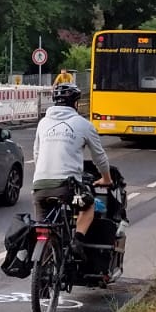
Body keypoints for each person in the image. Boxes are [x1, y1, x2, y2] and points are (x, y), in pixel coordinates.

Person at [30, 82, 111, 240]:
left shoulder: (43, 123)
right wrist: (106, 178)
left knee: (43, 228)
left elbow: (36, 154)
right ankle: (77, 242)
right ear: (76, 103)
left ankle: (41, 258)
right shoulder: (83, 124)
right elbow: (99, 156)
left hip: (40, 186)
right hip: (67, 189)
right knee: (88, 205)